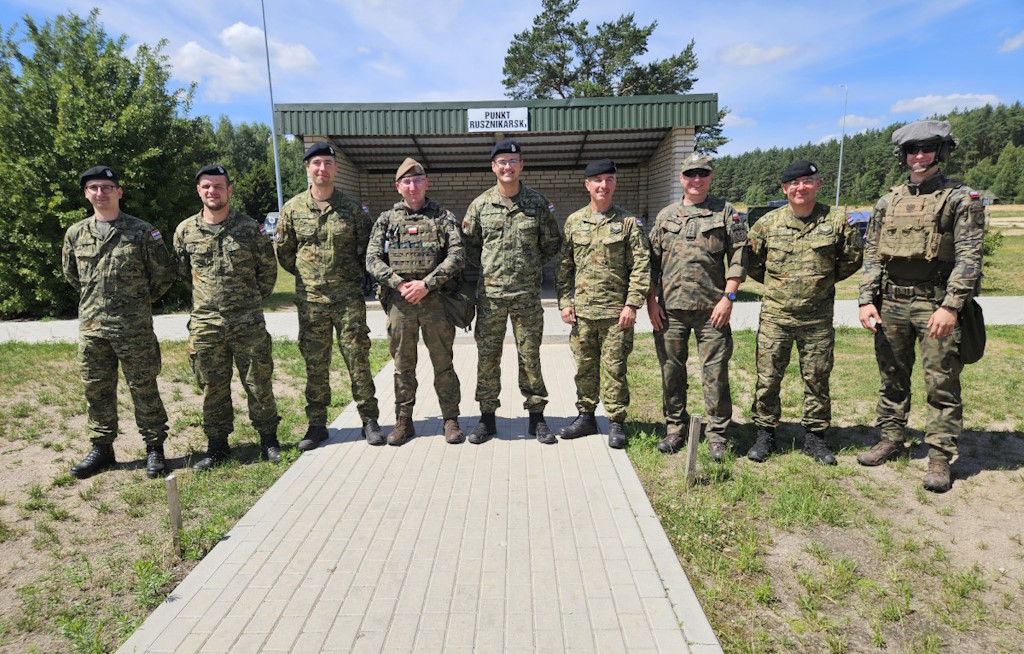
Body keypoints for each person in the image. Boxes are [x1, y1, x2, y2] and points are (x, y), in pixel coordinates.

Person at [856, 120, 984, 493]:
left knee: (941, 382)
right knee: (892, 376)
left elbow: (969, 257)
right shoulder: (888, 201)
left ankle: (940, 456)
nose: (919, 156)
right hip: (891, 302)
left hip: (934, 303)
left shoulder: (961, 199)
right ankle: (891, 438)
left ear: (941, 152)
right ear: (903, 156)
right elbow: (873, 254)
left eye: (927, 148)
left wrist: (951, 306)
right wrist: (866, 299)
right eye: (912, 150)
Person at [62, 166, 177, 479]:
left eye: (107, 187)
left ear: (119, 192)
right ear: (86, 193)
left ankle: (154, 447)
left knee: (144, 388)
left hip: (134, 328)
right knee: (96, 390)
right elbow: (73, 276)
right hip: (92, 329)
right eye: (95, 188)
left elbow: (163, 276)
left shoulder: (141, 231)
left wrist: (135, 302)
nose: (101, 193)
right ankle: (102, 448)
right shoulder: (76, 234)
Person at [746, 160, 863, 465]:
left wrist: (820, 282)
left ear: (818, 184)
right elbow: (753, 263)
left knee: (817, 378)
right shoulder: (767, 224)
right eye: (793, 183)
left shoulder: (837, 222)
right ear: (784, 188)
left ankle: (815, 437)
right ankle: (765, 433)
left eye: (806, 182)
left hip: (817, 318)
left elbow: (851, 259)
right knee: (768, 378)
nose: (800, 188)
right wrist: (779, 285)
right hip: (776, 317)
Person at [173, 164, 282, 470]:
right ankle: (217, 445)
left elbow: (268, 274)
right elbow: (183, 271)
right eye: (206, 186)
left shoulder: (249, 229)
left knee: (259, 383)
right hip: (206, 325)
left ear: (229, 190)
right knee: (212, 387)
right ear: (199, 191)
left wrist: (244, 302)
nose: (213, 191)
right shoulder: (185, 231)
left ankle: (269, 440)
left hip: (247, 322)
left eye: (218, 186)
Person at [275, 142, 383, 450]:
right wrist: (310, 278)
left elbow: (367, 247)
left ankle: (369, 420)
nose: (322, 168)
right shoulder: (293, 209)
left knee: (358, 358)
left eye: (327, 163)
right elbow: (285, 254)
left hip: (347, 298)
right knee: (315, 362)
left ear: (335, 168)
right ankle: (317, 425)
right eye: (316, 163)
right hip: (311, 301)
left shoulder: (352, 208)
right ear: (307, 168)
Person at [647, 153, 748, 461]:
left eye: (702, 174)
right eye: (690, 174)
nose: (696, 179)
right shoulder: (666, 216)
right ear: (681, 178)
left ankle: (717, 435)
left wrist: (728, 298)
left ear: (710, 177)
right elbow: (649, 262)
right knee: (671, 371)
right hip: (671, 310)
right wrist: (650, 302)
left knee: (715, 372)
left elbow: (740, 255)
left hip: (711, 311)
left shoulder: (725, 213)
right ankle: (675, 428)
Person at [462, 139, 563, 444]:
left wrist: (528, 267)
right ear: (493, 167)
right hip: (491, 298)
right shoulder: (480, 205)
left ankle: (537, 417)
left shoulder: (537, 204)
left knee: (529, 356)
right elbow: (470, 248)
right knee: (488, 357)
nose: (507, 167)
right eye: (501, 162)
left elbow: (551, 244)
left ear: (522, 165)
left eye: (513, 161)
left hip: (527, 298)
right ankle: (487, 418)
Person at [366, 158, 466, 445]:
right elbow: (372, 259)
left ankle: (450, 419)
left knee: (443, 363)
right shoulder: (386, 220)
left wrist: (426, 284)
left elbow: (457, 255)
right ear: (398, 187)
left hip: (436, 303)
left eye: (417, 180)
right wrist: (399, 283)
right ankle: (403, 421)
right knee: (402, 365)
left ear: (426, 183)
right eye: (406, 182)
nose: (412, 186)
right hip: (400, 303)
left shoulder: (443, 217)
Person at [556, 159, 651, 449]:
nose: (603, 185)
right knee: (584, 367)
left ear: (615, 184)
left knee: (614, 368)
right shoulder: (574, 221)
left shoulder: (628, 223)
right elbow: (564, 265)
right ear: (587, 185)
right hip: (582, 313)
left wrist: (632, 305)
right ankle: (585, 416)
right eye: (597, 180)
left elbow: (641, 265)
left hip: (615, 313)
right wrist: (564, 301)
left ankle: (615, 422)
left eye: (609, 180)